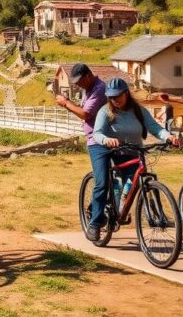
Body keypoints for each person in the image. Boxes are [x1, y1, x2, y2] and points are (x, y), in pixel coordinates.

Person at [89, 78, 180, 241]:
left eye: (117, 96)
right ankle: (95, 223)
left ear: (126, 93)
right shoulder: (105, 111)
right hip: (103, 147)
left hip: (130, 149)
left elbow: (156, 128)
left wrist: (169, 137)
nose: (114, 100)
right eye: (111, 97)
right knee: (102, 183)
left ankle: (128, 210)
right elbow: (97, 134)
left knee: (136, 180)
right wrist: (106, 140)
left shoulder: (139, 111)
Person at [55, 64, 108, 240]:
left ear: (88, 75)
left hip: (102, 139)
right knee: (102, 181)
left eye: (79, 82)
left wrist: (66, 103)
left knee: (110, 180)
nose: (78, 86)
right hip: (95, 139)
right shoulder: (89, 88)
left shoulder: (99, 90)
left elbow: (85, 114)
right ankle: (95, 221)